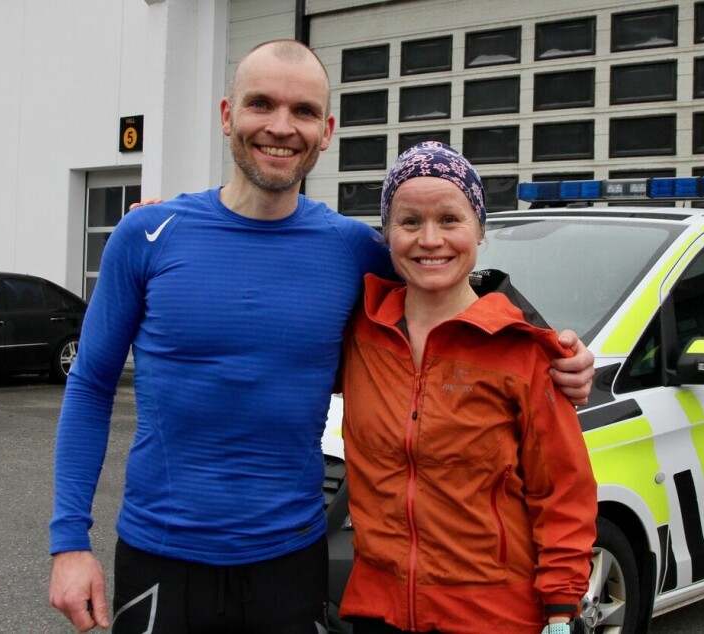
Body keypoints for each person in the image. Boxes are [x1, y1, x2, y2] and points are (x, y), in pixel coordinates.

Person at [48, 40, 595, 633]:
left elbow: (449, 287)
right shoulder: (148, 235)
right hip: (161, 556)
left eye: (303, 111)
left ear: (327, 129)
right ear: (228, 114)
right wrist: (69, 541)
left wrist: (554, 347)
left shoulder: (353, 250)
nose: (281, 127)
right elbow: (91, 385)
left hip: (290, 561)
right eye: (261, 105)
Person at [337, 142, 598, 634]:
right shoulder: (359, 332)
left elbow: (562, 491)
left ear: (480, 229)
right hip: (379, 611)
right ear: (387, 234)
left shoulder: (524, 353)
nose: (429, 239)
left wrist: (562, 609)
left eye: (450, 220)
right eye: (410, 222)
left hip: (492, 618)